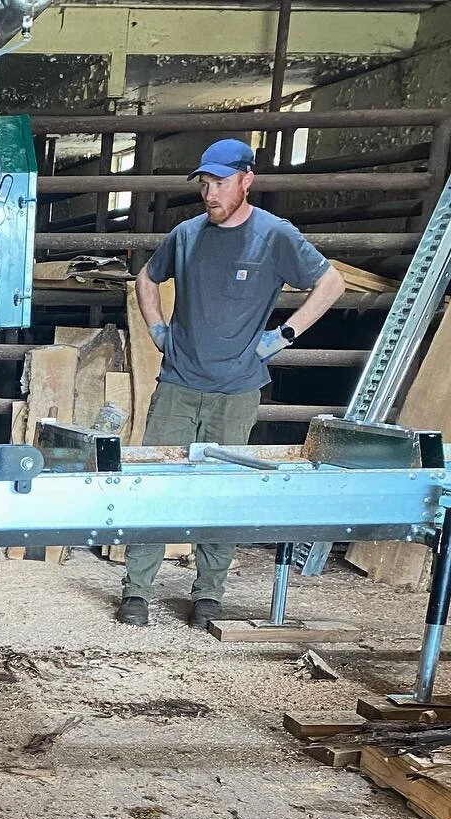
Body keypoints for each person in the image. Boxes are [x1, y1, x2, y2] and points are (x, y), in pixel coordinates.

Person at [118, 137, 347, 629]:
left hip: (237, 388)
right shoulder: (186, 235)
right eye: (205, 182)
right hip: (179, 383)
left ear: (247, 180)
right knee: (154, 485)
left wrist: (284, 334)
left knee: (222, 492)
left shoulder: (275, 236)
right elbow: (146, 278)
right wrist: (158, 330)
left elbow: (331, 283)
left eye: (220, 182)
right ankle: (137, 591)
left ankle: (208, 595)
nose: (210, 193)